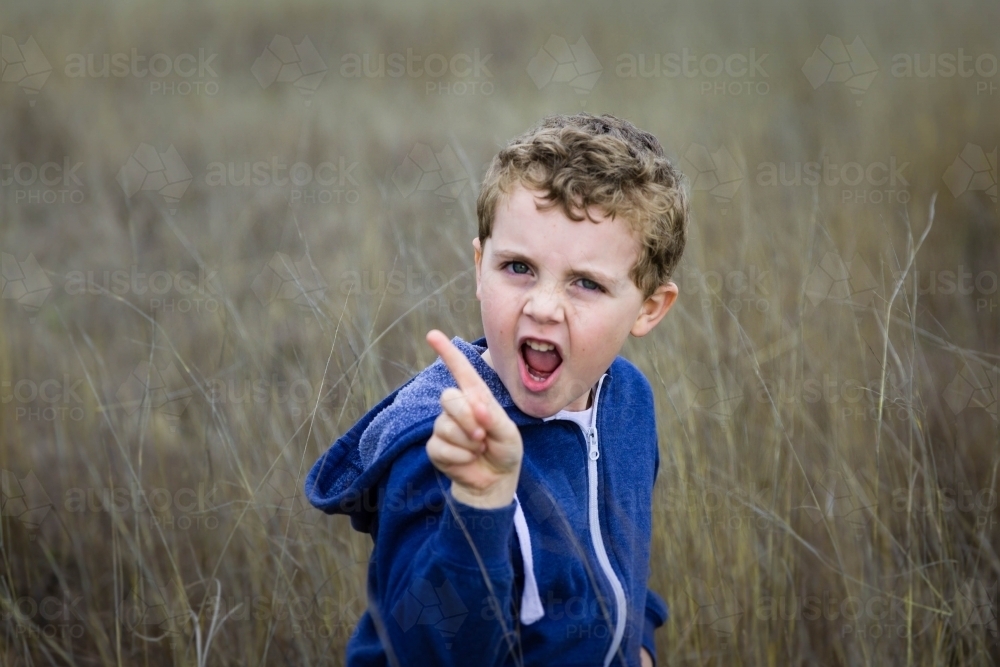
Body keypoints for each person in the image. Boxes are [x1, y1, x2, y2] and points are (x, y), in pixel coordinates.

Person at [305, 112, 689, 666]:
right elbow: (431, 651)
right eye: (518, 267)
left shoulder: (627, 402)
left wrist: (640, 646)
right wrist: (479, 504)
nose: (542, 306)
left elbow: (617, 559)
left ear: (649, 307)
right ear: (480, 266)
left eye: (586, 283)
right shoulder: (446, 443)